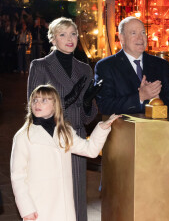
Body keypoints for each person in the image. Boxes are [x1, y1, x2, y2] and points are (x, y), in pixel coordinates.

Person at [11, 84, 120, 221]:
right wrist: (26, 208)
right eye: (35, 100)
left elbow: (90, 150)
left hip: (63, 205)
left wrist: (102, 128)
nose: (37, 103)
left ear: (55, 105)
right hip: (39, 205)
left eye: (44, 100)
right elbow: (18, 177)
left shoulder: (64, 131)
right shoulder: (23, 136)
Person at [27, 17, 99, 221]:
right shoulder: (40, 66)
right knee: (52, 195)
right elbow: (33, 110)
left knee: (76, 195)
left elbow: (89, 117)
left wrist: (86, 103)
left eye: (73, 34)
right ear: (53, 39)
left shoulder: (84, 69)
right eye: (62, 34)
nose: (69, 39)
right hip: (49, 139)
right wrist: (66, 100)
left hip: (75, 137)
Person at [94, 16, 169, 115]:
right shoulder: (106, 66)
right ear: (122, 38)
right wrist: (140, 97)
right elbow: (105, 106)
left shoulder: (160, 65)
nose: (140, 38)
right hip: (124, 128)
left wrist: (156, 99)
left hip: (159, 128)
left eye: (143, 33)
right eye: (133, 33)